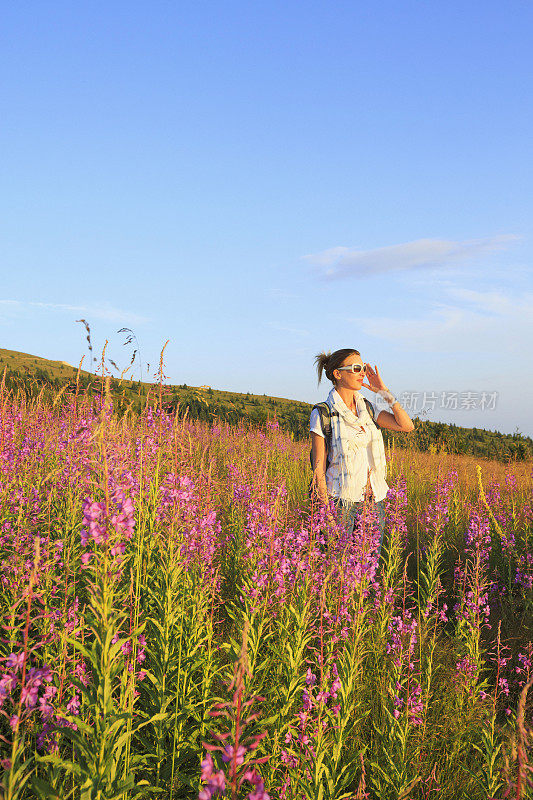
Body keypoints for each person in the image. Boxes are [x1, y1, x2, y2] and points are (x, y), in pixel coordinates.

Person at [310, 348, 414, 556]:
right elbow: (318, 469)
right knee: (336, 568)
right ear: (338, 374)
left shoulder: (367, 409)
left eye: (363, 368)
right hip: (339, 503)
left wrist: (383, 391)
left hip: (373, 501)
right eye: (356, 368)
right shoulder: (322, 412)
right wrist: (326, 512)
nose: (362, 373)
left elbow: (406, 426)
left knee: (367, 570)